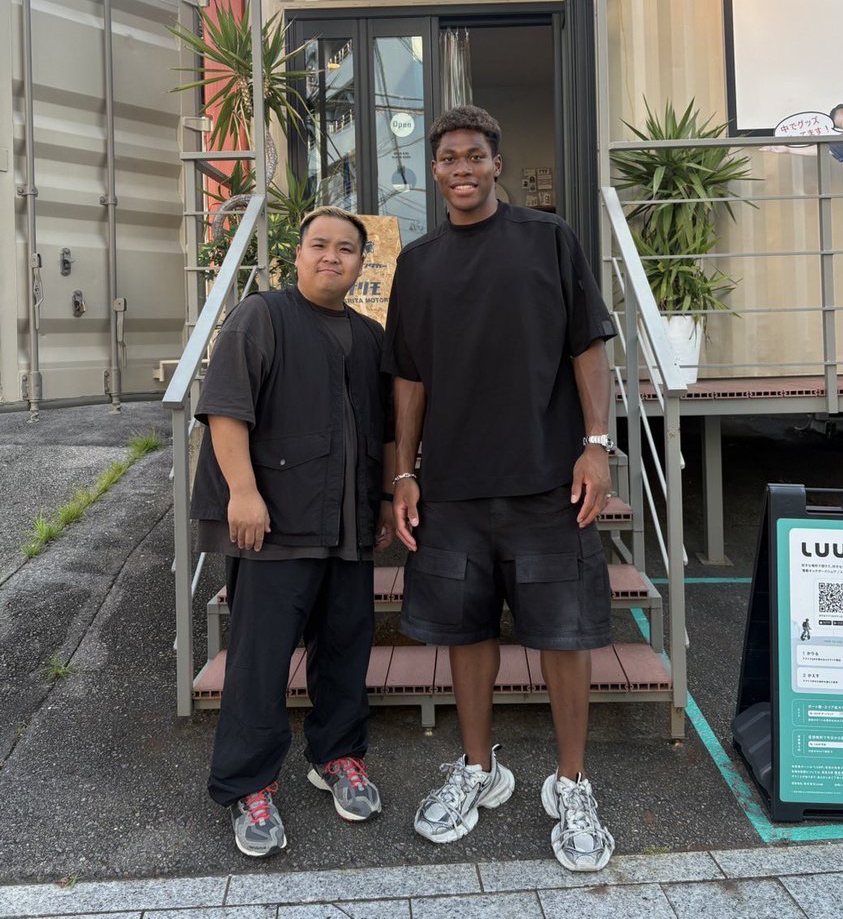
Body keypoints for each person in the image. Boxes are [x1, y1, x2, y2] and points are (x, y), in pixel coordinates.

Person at [382, 104, 618, 872]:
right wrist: (404, 471)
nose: (461, 168)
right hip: (452, 486)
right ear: (435, 170)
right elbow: (408, 377)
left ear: (496, 164)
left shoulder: (549, 239)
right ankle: (479, 769)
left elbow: (588, 345)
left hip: (549, 480)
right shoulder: (418, 264)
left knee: (565, 636)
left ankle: (572, 783)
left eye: (474, 156)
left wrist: (596, 447)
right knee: (465, 634)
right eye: (448, 157)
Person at [190, 206, 394, 858]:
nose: (332, 256)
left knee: (345, 649)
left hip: (347, 525)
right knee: (260, 660)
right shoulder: (262, 316)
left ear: (361, 264)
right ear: (297, 255)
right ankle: (248, 785)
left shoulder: (369, 337)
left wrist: (384, 500)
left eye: (346, 248)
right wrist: (243, 493)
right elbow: (226, 410)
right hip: (274, 524)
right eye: (319, 245)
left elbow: (384, 430)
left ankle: (338, 756)